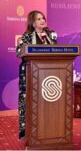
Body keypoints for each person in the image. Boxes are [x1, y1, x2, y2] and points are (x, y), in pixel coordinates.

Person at [16, 10, 57, 139]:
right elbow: (18, 52)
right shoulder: (27, 36)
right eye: (39, 19)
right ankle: (26, 131)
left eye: (43, 18)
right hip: (30, 74)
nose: (42, 21)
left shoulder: (50, 35)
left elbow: (56, 51)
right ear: (33, 23)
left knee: (45, 102)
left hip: (48, 74)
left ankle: (46, 128)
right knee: (29, 102)